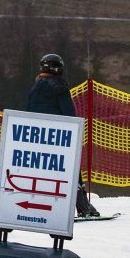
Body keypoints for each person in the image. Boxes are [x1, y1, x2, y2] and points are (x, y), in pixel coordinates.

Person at [27, 53, 100, 218]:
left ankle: (45, 208)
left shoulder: (35, 88)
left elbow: (30, 111)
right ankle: (84, 207)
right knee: (71, 169)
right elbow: (69, 112)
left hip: (39, 137)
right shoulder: (59, 86)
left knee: (46, 173)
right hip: (59, 136)